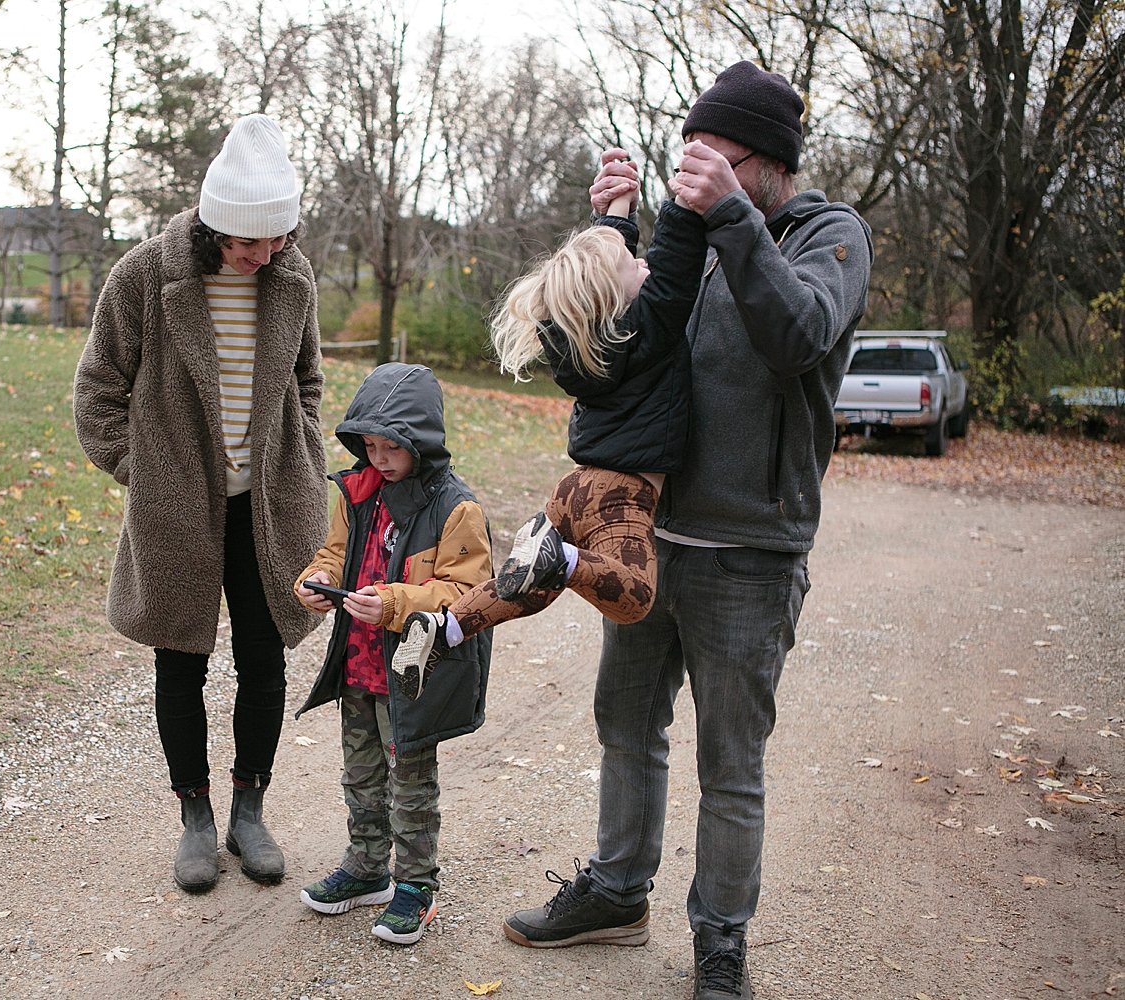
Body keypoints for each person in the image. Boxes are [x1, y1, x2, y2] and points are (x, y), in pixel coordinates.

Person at [500, 61, 874, 1000]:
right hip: (652, 539)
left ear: (765, 162)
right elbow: (622, 338)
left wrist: (734, 225)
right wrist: (612, 225)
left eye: (715, 154)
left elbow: (797, 338)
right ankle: (619, 892)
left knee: (730, 764)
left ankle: (720, 943)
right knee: (625, 725)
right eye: (689, 152)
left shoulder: (828, 235)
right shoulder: (696, 239)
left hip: (752, 552)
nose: (695, 168)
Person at [72, 114, 328, 895]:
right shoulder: (143, 276)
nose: (265, 255)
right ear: (218, 224)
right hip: (176, 509)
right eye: (251, 243)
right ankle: (194, 817)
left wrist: (304, 456)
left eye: (277, 240)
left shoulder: (294, 278)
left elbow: (307, 385)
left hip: (267, 506)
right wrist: (144, 472)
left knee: (263, 658)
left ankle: (251, 809)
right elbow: (97, 392)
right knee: (179, 657)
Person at [388, 150, 716, 675]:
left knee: (530, 587)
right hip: (620, 494)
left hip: (573, 490)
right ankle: (559, 558)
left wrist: (619, 213)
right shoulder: (649, 331)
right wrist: (684, 199)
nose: (644, 264)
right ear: (619, 298)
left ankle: (446, 626)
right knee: (633, 599)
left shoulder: (584, 342)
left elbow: (606, 267)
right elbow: (676, 269)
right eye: (636, 266)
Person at [291, 362, 494, 946]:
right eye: (369, 446)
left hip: (413, 676)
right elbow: (334, 553)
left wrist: (396, 603)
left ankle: (416, 887)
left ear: (420, 442)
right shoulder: (356, 494)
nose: (379, 458)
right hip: (357, 663)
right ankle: (366, 866)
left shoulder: (456, 509)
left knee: (410, 782)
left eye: (391, 448)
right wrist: (316, 579)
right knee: (360, 772)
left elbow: (468, 593)